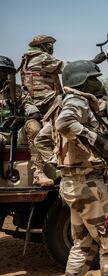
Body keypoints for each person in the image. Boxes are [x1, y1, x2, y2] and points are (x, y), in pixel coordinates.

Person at [43, 60, 108, 275]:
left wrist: (55, 162)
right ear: (81, 81)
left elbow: (43, 137)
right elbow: (64, 123)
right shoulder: (77, 101)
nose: (97, 82)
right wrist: (98, 141)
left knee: (83, 245)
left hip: (73, 185)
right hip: (88, 186)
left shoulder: (60, 102)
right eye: (93, 78)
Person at [19, 35, 64, 186]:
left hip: (39, 108)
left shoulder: (26, 59)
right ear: (41, 45)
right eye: (49, 44)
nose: (52, 48)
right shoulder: (41, 57)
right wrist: (91, 63)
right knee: (37, 129)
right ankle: (39, 172)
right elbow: (66, 68)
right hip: (43, 109)